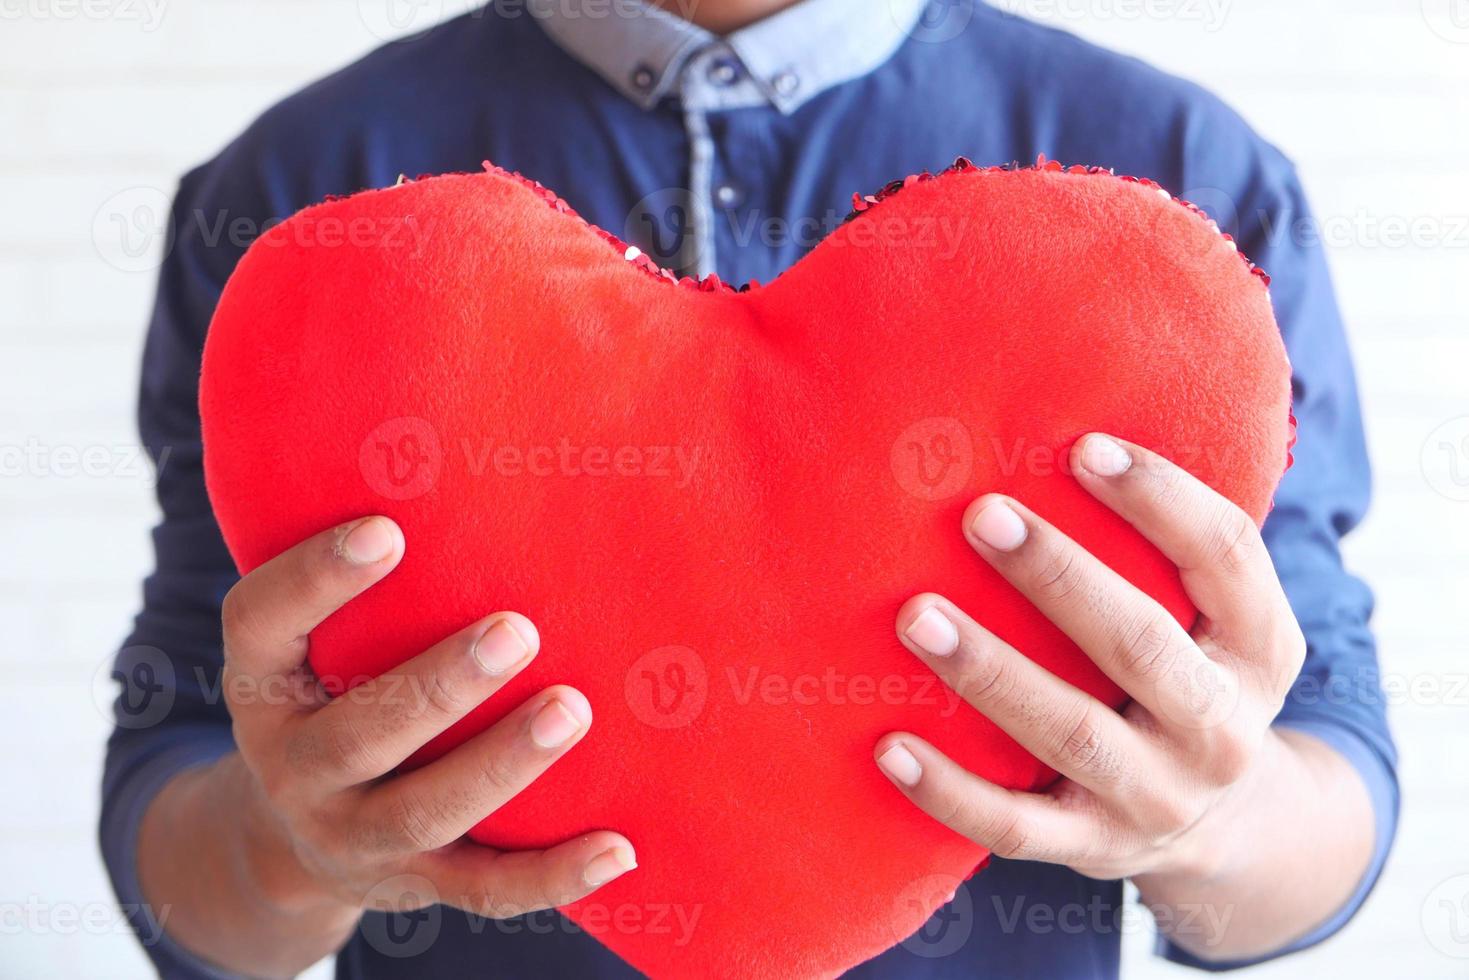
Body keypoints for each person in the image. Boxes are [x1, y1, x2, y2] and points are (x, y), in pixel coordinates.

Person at [101, 1, 1398, 977]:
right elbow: (178, 809)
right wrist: (291, 848)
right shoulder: (307, 195)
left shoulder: (1177, 182)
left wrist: (1213, 822)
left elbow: (1326, 766)